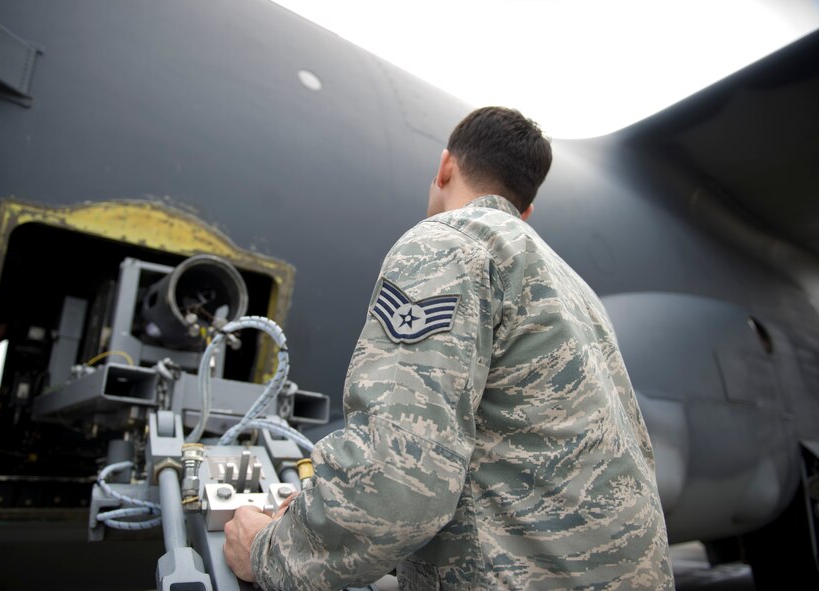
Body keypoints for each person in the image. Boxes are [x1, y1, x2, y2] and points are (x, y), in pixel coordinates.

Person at [224, 106, 674, 590]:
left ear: (444, 167)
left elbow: (399, 485)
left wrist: (271, 549)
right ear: (525, 211)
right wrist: (323, 512)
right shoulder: (573, 288)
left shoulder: (448, 243)